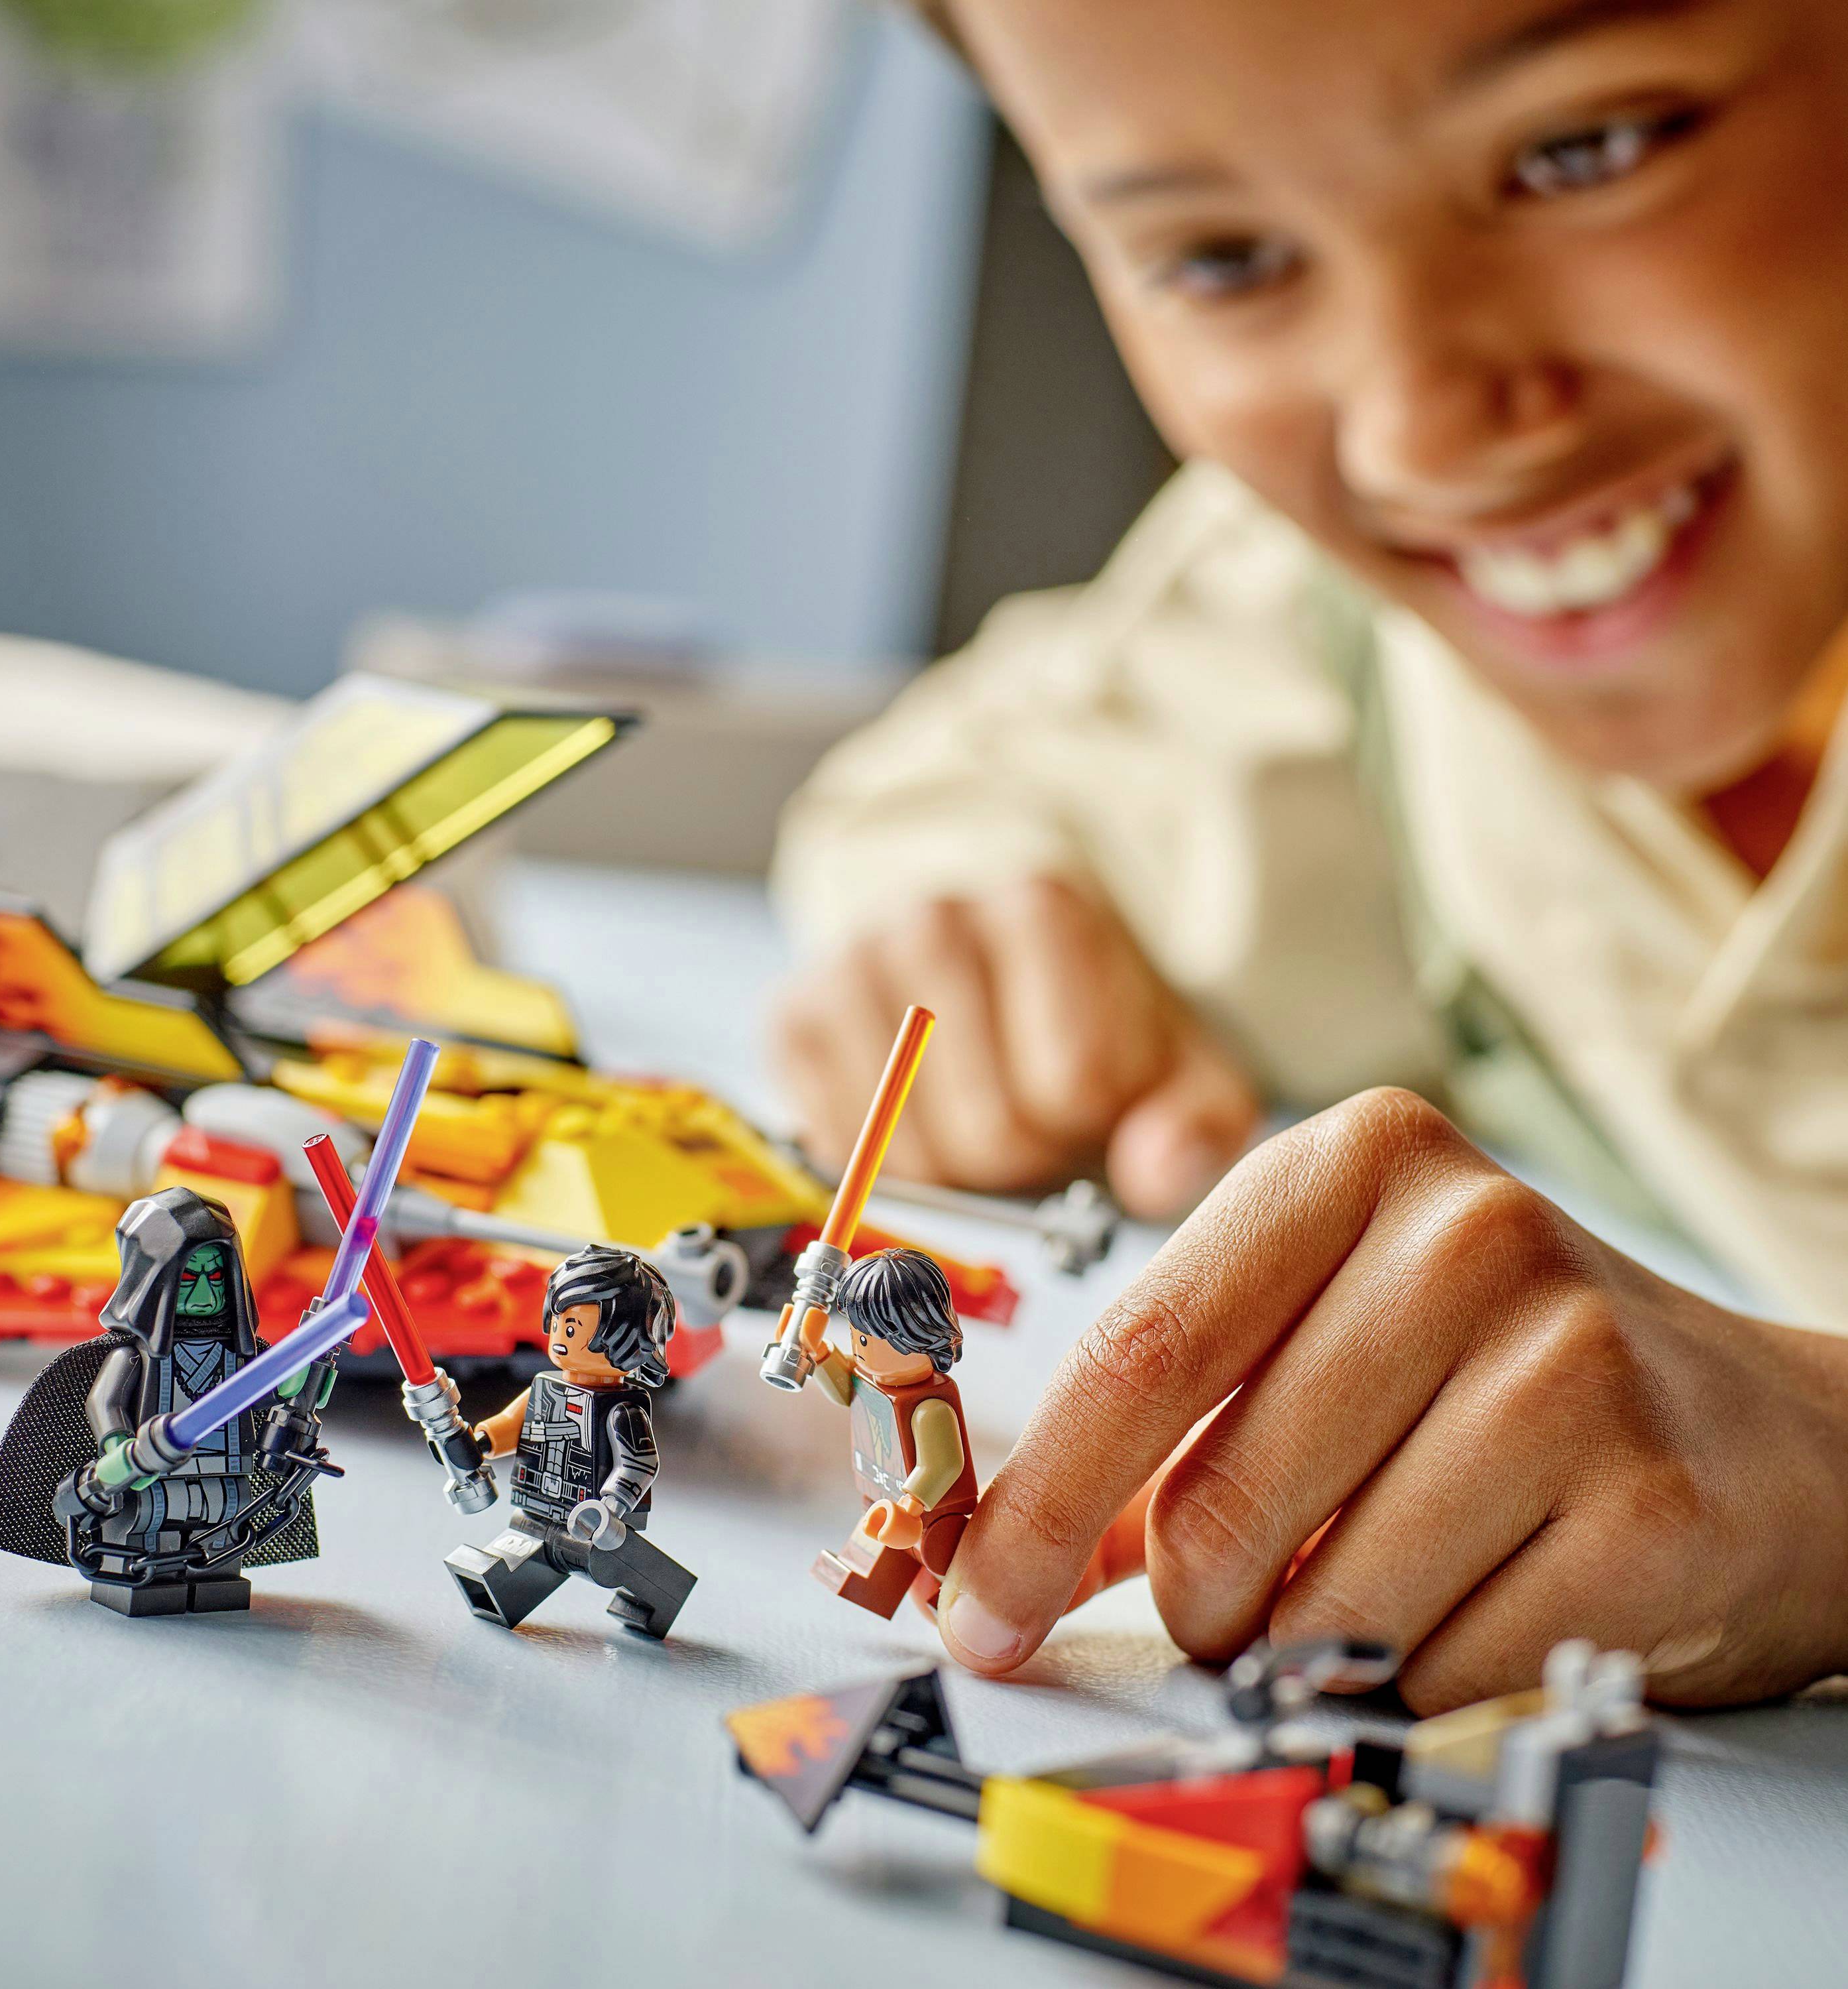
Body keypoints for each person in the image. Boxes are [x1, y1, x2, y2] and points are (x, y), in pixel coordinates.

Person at [771, 0, 1848, 1709]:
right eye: (1215, 257)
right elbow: (970, 764)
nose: (1423, 430)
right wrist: (974, 936)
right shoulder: (1377, 629)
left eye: (1585, 149)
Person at [0, 1187, 325, 1614]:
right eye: (188, 1277)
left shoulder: (244, 1357)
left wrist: (311, 1363)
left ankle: (215, 1581)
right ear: (158, 1280)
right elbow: (105, 1403)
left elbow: (285, 1390)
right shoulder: (132, 1356)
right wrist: (122, 1451)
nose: (203, 1291)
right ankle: (139, 1581)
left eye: (214, 1276)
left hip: (226, 1470)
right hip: (152, 1473)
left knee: (222, 1535)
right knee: (147, 1524)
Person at [446, 1244, 697, 1639]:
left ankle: (660, 1597)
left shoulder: (621, 1408)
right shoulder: (546, 1388)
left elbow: (639, 1463)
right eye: (560, 1322)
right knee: (514, 1555)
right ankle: (497, 1592)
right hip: (538, 1505)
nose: (561, 1337)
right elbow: (512, 1423)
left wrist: (611, 1506)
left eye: (575, 1328)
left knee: (594, 1558)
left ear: (625, 1339)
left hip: (592, 1523)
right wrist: (480, 1442)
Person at [802, 1246, 979, 1619]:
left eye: (865, 1339)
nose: (857, 1346)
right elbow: (845, 1392)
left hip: (927, 1516)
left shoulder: (929, 1406)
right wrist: (817, 1352)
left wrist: (911, 1508)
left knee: (938, 1568)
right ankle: (886, 1590)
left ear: (912, 1336)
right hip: (883, 1496)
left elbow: (942, 1465)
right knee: (876, 1558)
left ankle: (966, 1605)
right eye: (854, 1334)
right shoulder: (871, 1381)